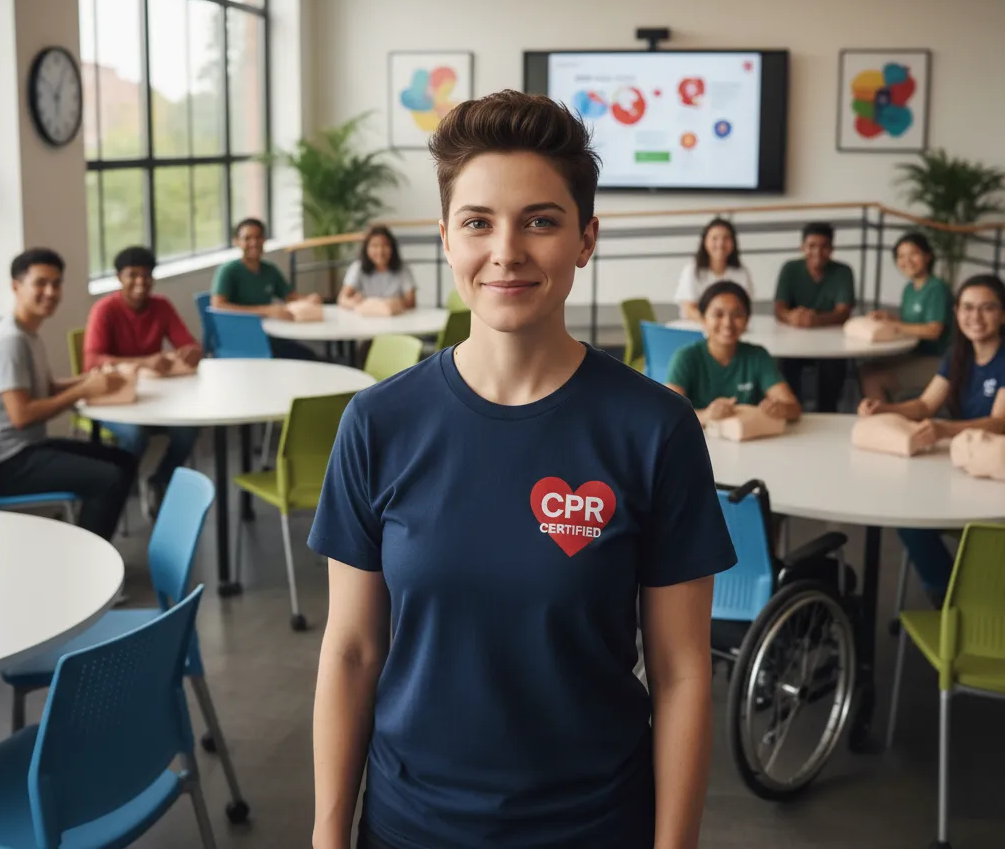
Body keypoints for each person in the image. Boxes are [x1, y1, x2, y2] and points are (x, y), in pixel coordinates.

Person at [309, 91, 736, 849]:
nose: (506, 251)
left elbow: (680, 673)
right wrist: (327, 835)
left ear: (586, 238)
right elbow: (351, 651)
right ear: (446, 240)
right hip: (411, 828)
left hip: (595, 827)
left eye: (540, 221)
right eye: (478, 222)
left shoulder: (654, 430)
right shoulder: (377, 424)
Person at [858, 274, 1005, 606]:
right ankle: (949, 595)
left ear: (1003, 314)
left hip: (997, 475)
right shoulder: (958, 354)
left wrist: (943, 429)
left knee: (979, 535)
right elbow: (925, 405)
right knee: (907, 517)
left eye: (987, 308)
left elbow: (999, 423)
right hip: (963, 463)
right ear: (957, 312)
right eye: (967, 307)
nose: (976, 317)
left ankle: (965, 601)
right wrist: (885, 408)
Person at [0, 248, 136, 542]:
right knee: (110, 478)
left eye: (56, 283)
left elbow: (47, 389)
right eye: (40, 283)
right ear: (16, 286)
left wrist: (90, 379)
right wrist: (83, 390)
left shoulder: (27, 333)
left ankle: (88, 545)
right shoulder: (10, 342)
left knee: (124, 461)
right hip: (9, 464)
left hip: (28, 448)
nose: (50, 292)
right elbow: (21, 415)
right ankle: (87, 559)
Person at [84, 245, 202, 520]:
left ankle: (158, 480)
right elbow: (91, 362)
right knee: (135, 435)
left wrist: (191, 351)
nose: (140, 282)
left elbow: (188, 344)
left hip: (156, 398)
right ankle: (119, 485)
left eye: (147, 275)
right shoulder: (105, 310)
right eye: (132, 275)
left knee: (188, 431)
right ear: (119, 277)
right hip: (113, 399)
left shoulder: (161, 306)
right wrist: (144, 362)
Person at [666, 280, 801, 427]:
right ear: (703, 319)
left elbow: (794, 408)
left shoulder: (758, 356)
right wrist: (706, 415)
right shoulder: (685, 357)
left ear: (747, 320)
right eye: (718, 314)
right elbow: (667, 414)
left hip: (748, 438)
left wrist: (781, 409)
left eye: (737, 315)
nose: (727, 323)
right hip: (698, 438)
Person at [859, 232, 953, 402]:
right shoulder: (909, 289)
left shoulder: (936, 288)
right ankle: (887, 411)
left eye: (914, 254)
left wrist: (894, 327)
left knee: (873, 379)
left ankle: (884, 417)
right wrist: (889, 317)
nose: (907, 261)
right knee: (866, 368)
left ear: (928, 256)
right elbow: (912, 324)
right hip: (916, 353)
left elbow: (933, 331)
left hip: (939, 360)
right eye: (901, 256)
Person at [773, 221, 856, 413]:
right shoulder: (790, 269)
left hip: (831, 341)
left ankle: (827, 412)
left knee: (834, 366)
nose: (817, 252)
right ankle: (793, 410)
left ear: (832, 249)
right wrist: (791, 317)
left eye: (824, 246)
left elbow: (844, 312)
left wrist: (816, 320)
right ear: (802, 247)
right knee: (785, 364)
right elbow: (779, 308)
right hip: (795, 340)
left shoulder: (843, 271)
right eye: (811, 246)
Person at [210, 217, 318, 360]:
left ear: (264, 240)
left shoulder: (269, 269)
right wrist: (266, 311)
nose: (254, 243)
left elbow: (290, 296)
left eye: (258, 237)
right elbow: (218, 306)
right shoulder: (228, 271)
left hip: (268, 334)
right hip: (239, 338)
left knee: (309, 356)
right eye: (247, 238)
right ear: (237, 242)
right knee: (302, 358)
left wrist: (308, 299)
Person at [674, 217, 754, 321]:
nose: (720, 244)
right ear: (705, 242)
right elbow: (689, 309)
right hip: (695, 326)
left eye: (726, 238)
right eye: (714, 238)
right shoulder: (692, 271)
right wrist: (712, 325)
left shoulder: (741, 272)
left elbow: (744, 308)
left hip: (730, 328)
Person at [337, 225, 416, 317]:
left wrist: (394, 304)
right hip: (366, 318)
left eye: (385, 245)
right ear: (366, 249)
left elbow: (411, 301)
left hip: (396, 318)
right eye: (374, 246)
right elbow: (342, 299)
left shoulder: (402, 268)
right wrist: (355, 303)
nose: (380, 251)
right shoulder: (358, 267)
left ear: (392, 248)